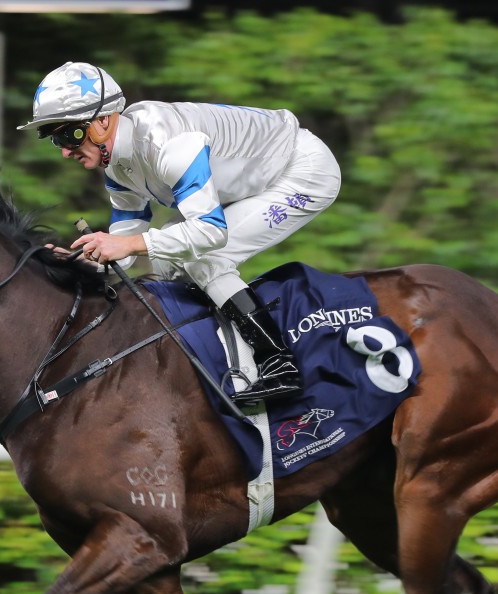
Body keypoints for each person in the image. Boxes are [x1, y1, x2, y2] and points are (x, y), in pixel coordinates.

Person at [19, 61, 342, 403]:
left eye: (71, 134)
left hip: (302, 170)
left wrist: (127, 244)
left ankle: (280, 364)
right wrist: (78, 261)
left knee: (205, 254)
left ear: (103, 121)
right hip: (257, 178)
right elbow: (123, 247)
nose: (66, 151)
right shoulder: (116, 163)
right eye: (57, 139)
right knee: (166, 263)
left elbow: (209, 233)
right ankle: (220, 356)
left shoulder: (168, 143)